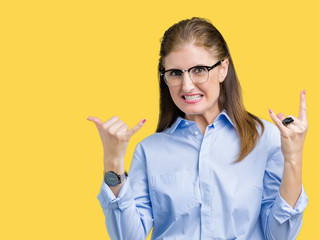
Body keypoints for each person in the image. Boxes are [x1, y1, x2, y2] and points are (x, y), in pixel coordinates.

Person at [87, 17, 308, 240]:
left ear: (223, 69)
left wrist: (293, 158)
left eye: (199, 70)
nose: (187, 85)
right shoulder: (149, 151)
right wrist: (113, 162)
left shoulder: (265, 138)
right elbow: (127, 237)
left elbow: (280, 235)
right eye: (175, 73)